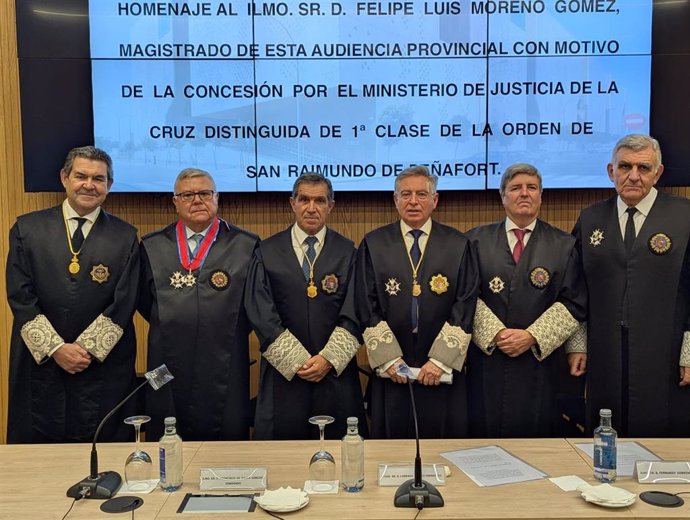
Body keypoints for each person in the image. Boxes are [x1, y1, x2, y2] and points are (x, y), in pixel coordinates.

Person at [6, 146, 139, 443]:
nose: (89, 185)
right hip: (42, 363)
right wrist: (57, 349)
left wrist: (84, 350)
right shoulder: (27, 229)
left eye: (98, 179)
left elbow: (124, 302)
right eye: (81, 176)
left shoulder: (125, 236)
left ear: (109, 185)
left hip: (100, 366)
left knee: (103, 449)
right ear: (64, 178)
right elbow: (20, 295)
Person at [572, 134, 690, 437]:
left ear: (658, 173)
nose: (633, 176)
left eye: (644, 168)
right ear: (611, 171)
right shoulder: (590, 219)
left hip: (665, 351)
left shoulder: (685, 217)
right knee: (603, 433)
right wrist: (577, 345)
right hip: (604, 351)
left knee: (661, 433)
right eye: (625, 166)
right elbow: (576, 291)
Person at [356, 165, 478, 439]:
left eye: (422, 194)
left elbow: (465, 302)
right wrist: (389, 359)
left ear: (434, 200)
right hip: (393, 367)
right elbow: (366, 302)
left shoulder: (458, 244)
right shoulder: (374, 244)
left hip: (441, 369)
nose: (413, 201)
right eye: (406, 194)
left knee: (443, 446)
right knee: (392, 445)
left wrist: (441, 361)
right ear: (395, 199)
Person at [466, 163, 586, 438]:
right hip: (488, 360)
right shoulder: (474, 241)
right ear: (503, 196)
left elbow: (574, 301)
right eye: (515, 188)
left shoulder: (564, 245)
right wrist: (497, 334)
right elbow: (465, 296)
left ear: (541, 196)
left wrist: (532, 336)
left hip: (540, 363)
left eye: (531, 188)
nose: (524, 194)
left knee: (538, 435)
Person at [139, 168, 259, 440]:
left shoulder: (245, 245)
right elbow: (144, 302)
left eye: (205, 193)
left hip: (225, 355)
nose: (197, 200)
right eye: (187, 195)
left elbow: (254, 305)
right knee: (166, 428)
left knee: (227, 432)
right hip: (165, 358)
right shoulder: (151, 246)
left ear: (217, 198)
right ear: (175, 201)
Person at [245, 173, 365, 439]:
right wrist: (296, 360)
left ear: (331, 206)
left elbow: (356, 310)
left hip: (334, 375)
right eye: (304, 200)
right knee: (284, 459)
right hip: (284, 377)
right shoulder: (267, 252)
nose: (312, 208)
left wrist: (327, 360)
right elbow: (260, 310)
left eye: (320, 200)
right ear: (292, 203)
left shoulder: (348, 252)